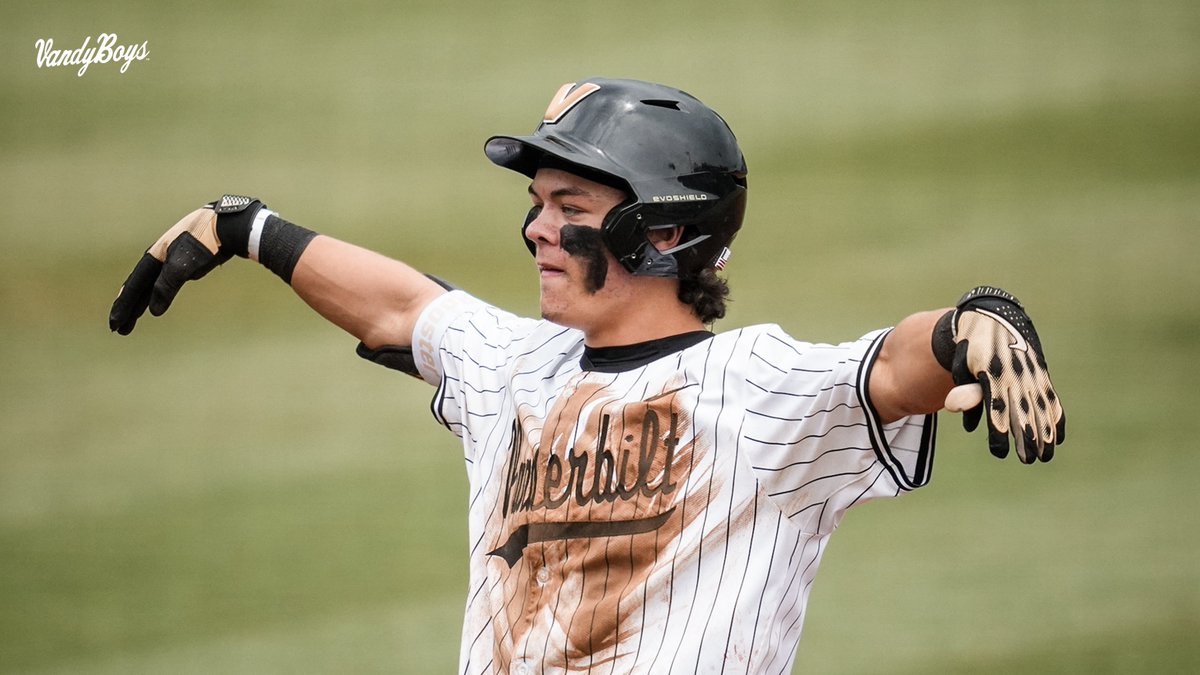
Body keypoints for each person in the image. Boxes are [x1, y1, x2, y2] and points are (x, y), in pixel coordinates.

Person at [109, 77, 1066, 674]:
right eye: (536, 202)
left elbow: (892, 364)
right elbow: (403, 306)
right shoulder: (517, 363)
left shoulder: (758, 384)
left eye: (568, 204)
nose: (535, 228)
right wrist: (251, 230)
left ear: (659, 231)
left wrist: (976, 320)